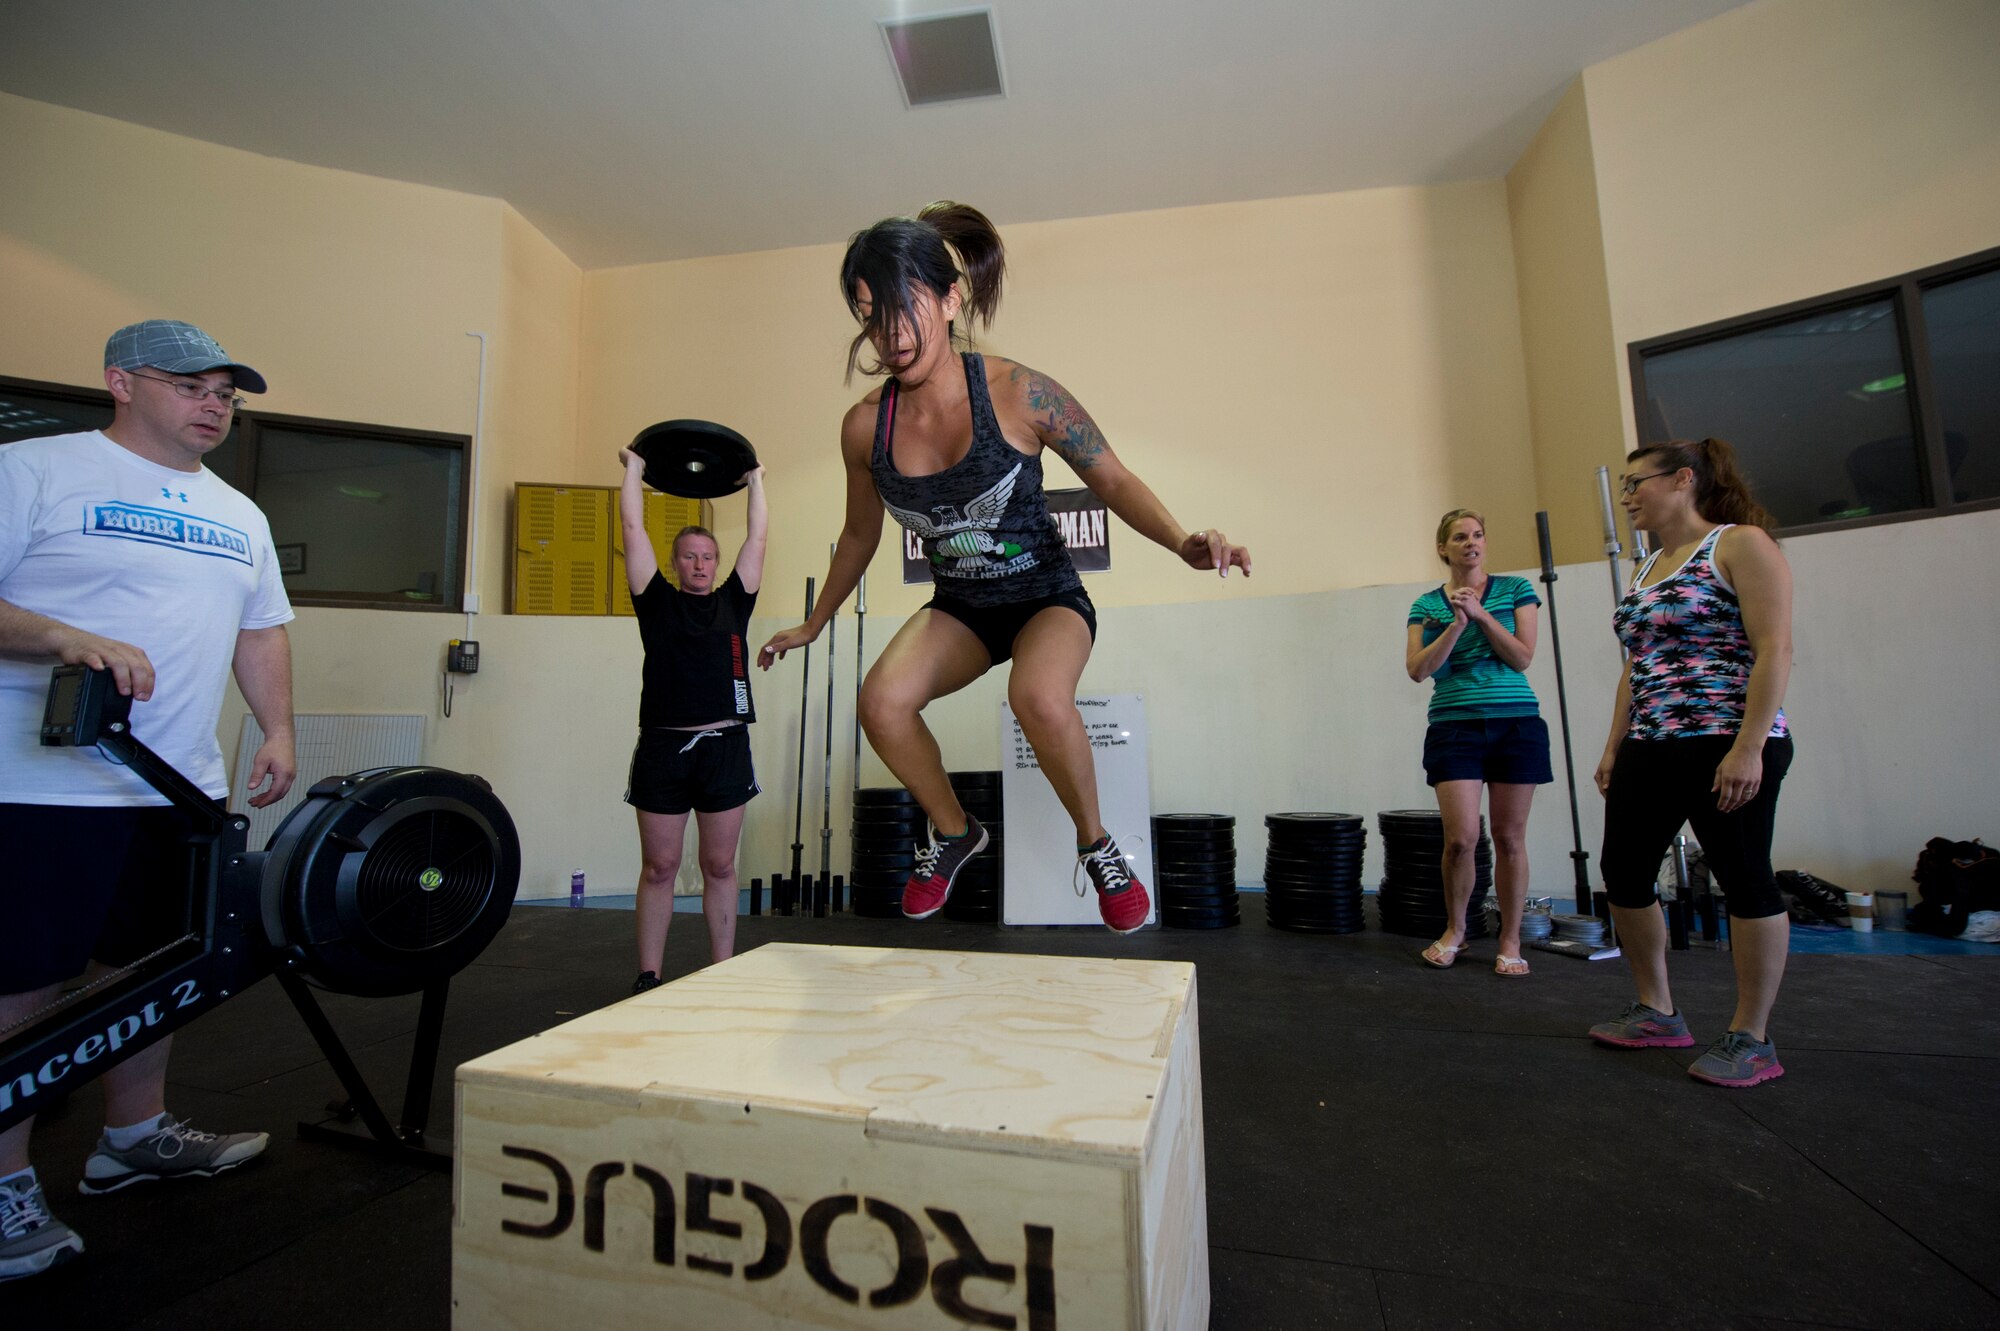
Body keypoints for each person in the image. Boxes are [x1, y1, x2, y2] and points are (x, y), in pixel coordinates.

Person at [757, 201, 1250, 933]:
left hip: (1046, 596)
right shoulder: (867, 427)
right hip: (963, 606)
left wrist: (1182, 542)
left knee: (1039, 698)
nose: (888, 337)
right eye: (870, 316)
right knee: (880, 702)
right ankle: (956, 832)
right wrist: (813, 622)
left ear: (951, 297)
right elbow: (859, 534)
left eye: (904, 310)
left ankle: (1097, 844)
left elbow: (1111, 479)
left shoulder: (1022, 394)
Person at [0, 320, 297, 1281]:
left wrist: (277, 728)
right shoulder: (38, 470)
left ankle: (130, 1136)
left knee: (156, 969)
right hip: (39, 784)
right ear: (120, 381)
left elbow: (262, 630)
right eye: (193, 385)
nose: (216, 404)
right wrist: (58, 634)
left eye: (227, 393)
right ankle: (3, 1182)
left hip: (179, 785)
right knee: (24, 978)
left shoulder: (241, 514)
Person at [1588, 438, 1795, 1088]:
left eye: (1635, 482)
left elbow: (1775, 649)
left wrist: (1748, 746)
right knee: (1622, 870)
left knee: (1744, 876)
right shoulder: (1645, 566)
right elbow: (1636, 666)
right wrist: (1614, 745)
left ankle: (1751, 1035)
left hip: (1725, 738)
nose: (1626, 496)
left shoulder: (1741, 545)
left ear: (1682, 479)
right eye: (1621, 485)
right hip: (1653, 742)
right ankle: (1657, 1009)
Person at [618, 447, 767, 991]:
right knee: (659, 868)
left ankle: (722, 971)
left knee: (720, 866)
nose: (700, 564)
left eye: (707, 556)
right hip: (662, 748)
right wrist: (634, 469)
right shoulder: (654, 602)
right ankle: (648, 975)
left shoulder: (736, 600)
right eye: (689, 556)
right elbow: (632, 527)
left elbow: (758, 541)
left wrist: (755, 481)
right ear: (676, 563)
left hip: (725, 748)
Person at [1405, 508, 1551, 974]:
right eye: (1460, 537)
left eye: (1478, 535)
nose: (1471, 542)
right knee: (1461, 840)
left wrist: (1481, 614)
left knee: (1509, 837)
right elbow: (1418, 669)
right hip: (1454, 725)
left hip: (1515, 723)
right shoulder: (1426, 605)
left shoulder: (1516, 591)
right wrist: (1456, 622)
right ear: (1442, 548)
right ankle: (1457, 930)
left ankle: (1510, 939)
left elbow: (1522, 657)